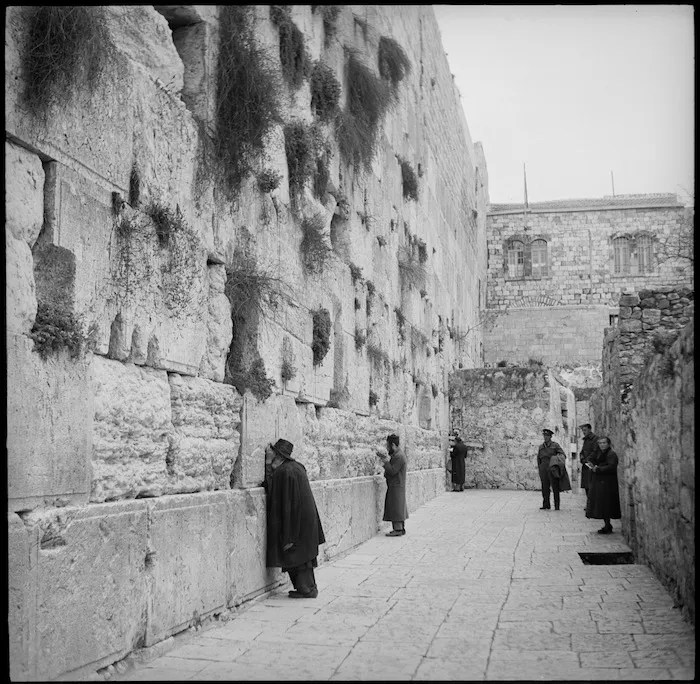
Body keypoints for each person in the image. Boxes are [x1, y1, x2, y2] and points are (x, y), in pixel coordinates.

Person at [262, 439, 326, 598]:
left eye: (274, 455)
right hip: (305, 520)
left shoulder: (284, 472)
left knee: (297, 556)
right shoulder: (297, 467)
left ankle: (307, 590)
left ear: (278, 456)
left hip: (296, 523)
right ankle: (306, 589)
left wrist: (268, 463)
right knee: (302, 557)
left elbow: (270, 487)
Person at [585, 435, 622, 534]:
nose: (602, 445)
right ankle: (607, 524)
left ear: (608, 444)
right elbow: (590, 458)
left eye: (604, 443)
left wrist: (598, 469)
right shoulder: (599, 453)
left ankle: (607, 525)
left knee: (606, 504)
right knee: (602, 504)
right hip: (600, 483)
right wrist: (591, 463)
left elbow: (611, 467)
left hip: (608, 484)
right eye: (600, 443)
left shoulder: (611, 454)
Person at [377, 433, 408, 536]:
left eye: (388, 445)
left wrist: (385, 462)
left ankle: (398, 529)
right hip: (395, 484)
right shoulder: (397, 455)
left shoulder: (399, 456)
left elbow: (393, 471)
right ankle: (399, 528)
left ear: (393, 445)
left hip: (397, 485)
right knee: (396, 506)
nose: (387, 447)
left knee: (396, 507)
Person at [537, 428, 566, 510]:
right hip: (543, 469)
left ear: (550, 436)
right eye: (544, 435)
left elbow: (562, 455)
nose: (545, 437)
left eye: (547, 436)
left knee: (555, 487)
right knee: (545, 487)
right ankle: (546, 504)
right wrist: (540, 468)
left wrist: (555, 460)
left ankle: (557, 505)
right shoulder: (541, 447)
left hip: (552, 469)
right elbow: (538, 458)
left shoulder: (555, 445)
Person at [579, 423, 601, 506]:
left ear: (589, 429)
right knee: (586, 486)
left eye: (585, 430)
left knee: (591, 485)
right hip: (585, 465)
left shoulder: (595, 439)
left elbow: (595, 451)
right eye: (583, 430)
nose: (583, 432)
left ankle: (592, 504)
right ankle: (589, 504)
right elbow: (583, 451)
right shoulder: (586, 440)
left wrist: (587, 459)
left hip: (590, 465)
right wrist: (581, 458)